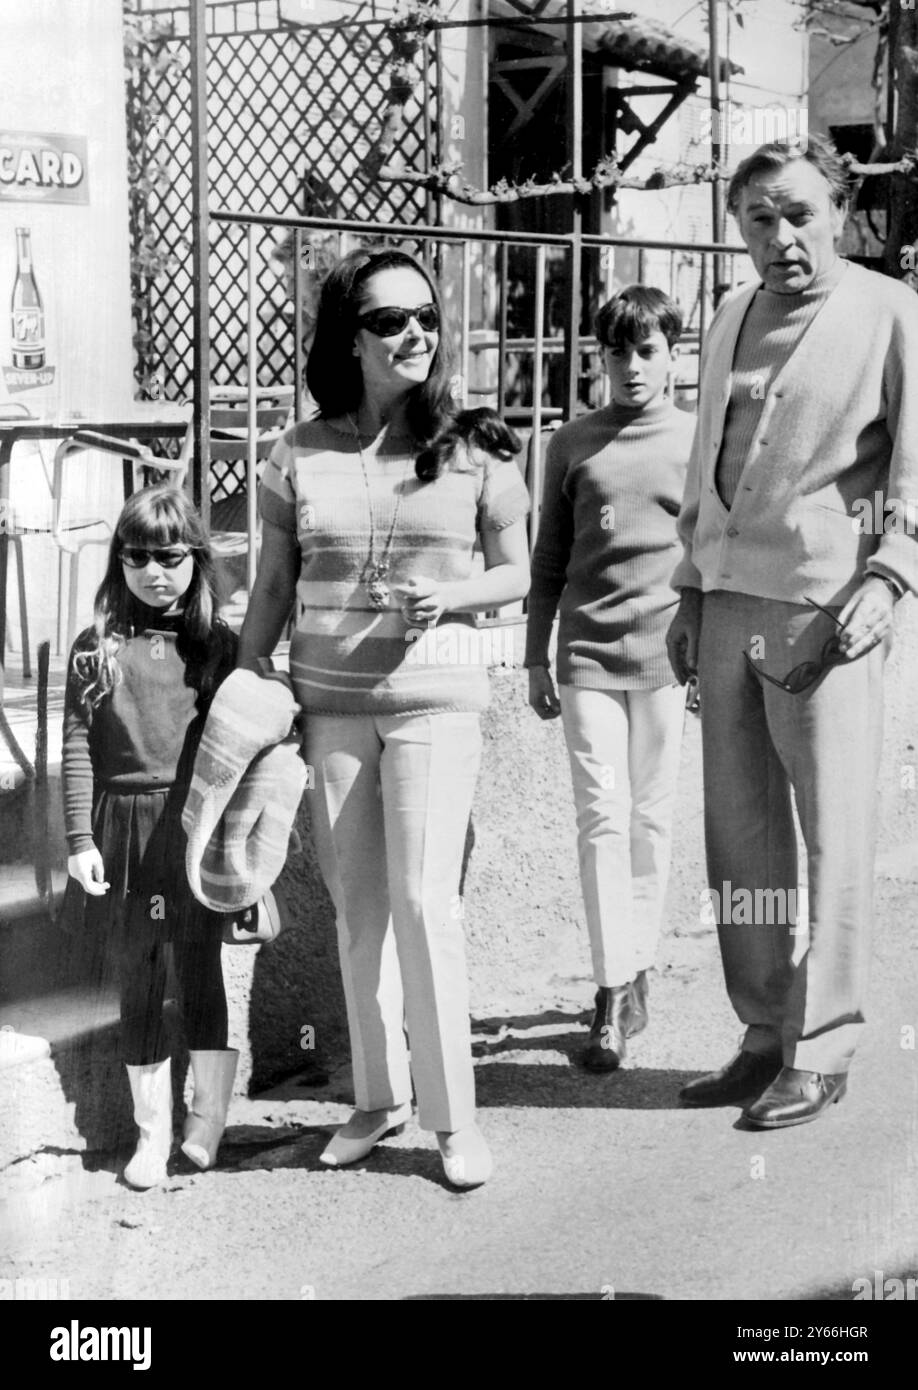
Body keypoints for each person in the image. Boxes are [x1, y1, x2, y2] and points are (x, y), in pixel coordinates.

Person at [237, 247, 531, 1187]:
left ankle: (452, 1120)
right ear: (348, 339)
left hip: (436, 705)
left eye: (426, 319)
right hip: (329, 709)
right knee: (360, 916)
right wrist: (246, 681)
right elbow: (273, 581)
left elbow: (521, 572)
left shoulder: (475, 445)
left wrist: (455, 599)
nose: (415, 335)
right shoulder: (296, 453)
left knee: (422, 906)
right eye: (390, 321)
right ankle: (377, 1096)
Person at [666, 134, 918, 1128]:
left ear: (842, 214)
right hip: (729, 606)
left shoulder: (890, 312)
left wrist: (892, 576)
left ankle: (826, 1043)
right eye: (759, 218)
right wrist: (690, 586)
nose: (782, 236)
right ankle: (765, 1029)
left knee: (834, 835)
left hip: (826, 610)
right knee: (743, 843)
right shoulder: (730, 313)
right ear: (737, 226)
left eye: (801, 213)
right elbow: (706, 462)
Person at [525, 286, 695, 1071]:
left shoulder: (697, 442)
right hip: (588, 656)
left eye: (648, 350)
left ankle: (639, 971)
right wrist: (534, 654)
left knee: (651, 820)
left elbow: (708, 557)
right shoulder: (571, 443)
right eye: (617, 351)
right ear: (599, 358)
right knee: (603, 817)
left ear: (673, 354)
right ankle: (609, 989)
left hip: (666, 659)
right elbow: (549, 560)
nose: (632, 366)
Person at [62, 487, 238, 1188]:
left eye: (169, 556)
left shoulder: (217, 646)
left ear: (194, 558)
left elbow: (253, 734)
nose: (152, 571)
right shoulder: (95, 647)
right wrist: (80, 837)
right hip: (123, 832)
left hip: (192, 828)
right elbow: (77, 744)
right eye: (136, 556)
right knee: (140, 975)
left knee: (200, 970)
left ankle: (208, 1120)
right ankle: (150, 1134)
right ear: (119, 561)